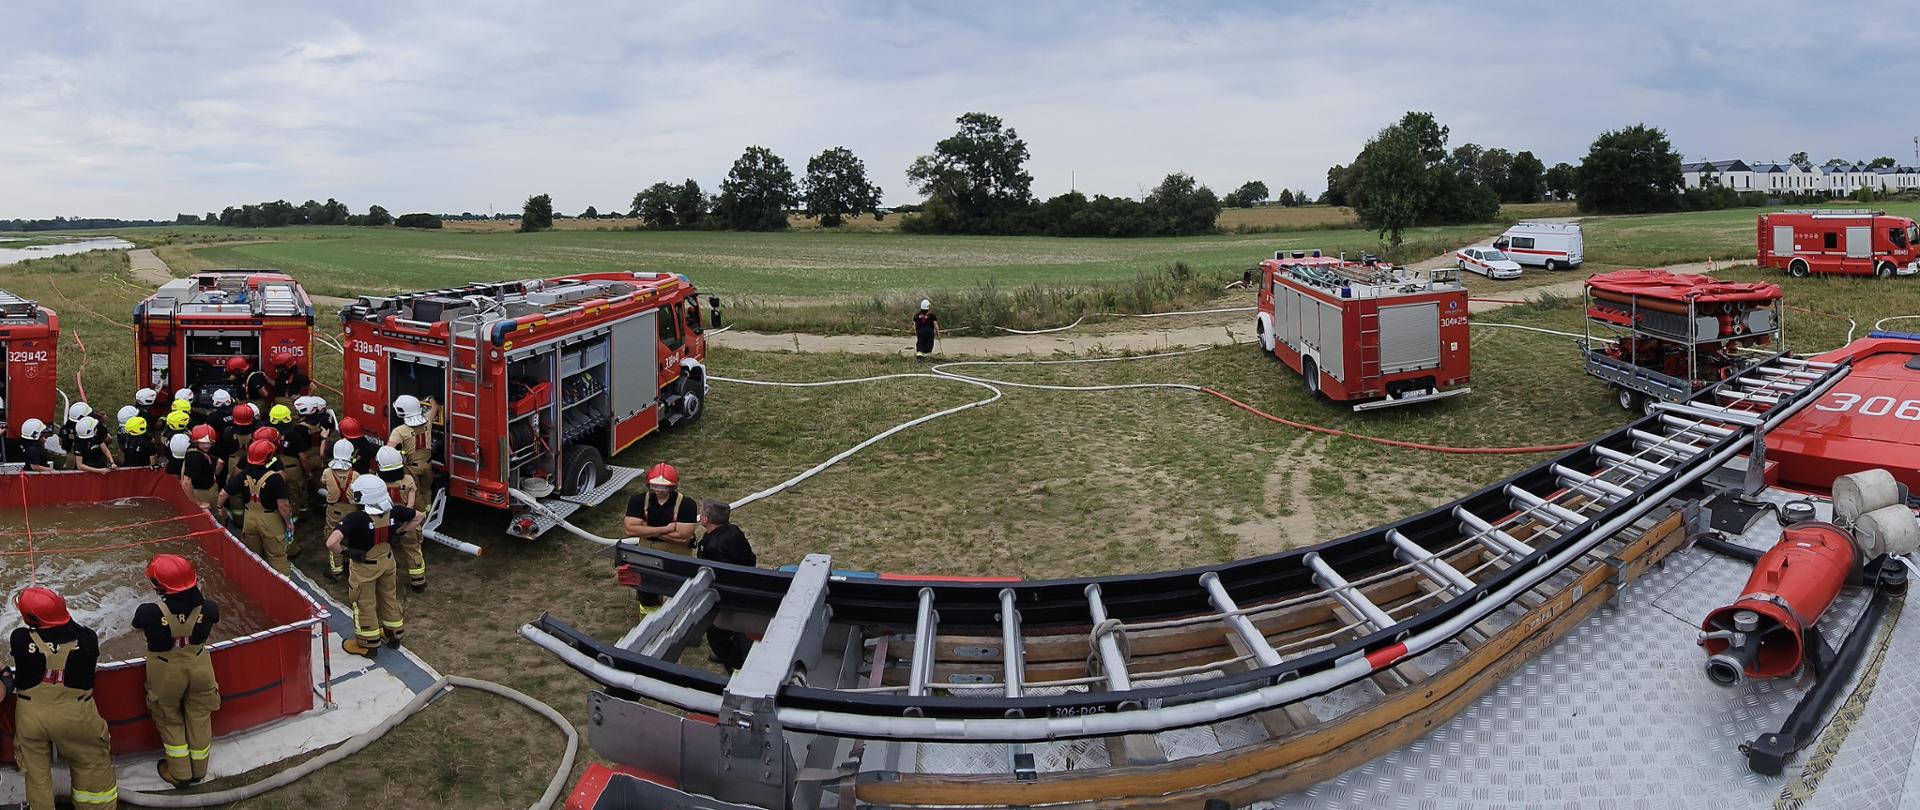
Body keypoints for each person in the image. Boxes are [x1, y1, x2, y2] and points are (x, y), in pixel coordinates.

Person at [6, 587, 118, 809]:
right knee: (91, 765)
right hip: (77, 715)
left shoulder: (19, 639)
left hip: (31, 718)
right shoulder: (88, 639)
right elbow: (75, 630)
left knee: (37, 776)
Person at [133, 554, 221, 787]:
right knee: (200, 716)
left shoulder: (148, 613)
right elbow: (211, 618)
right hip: (200, 666)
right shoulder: (209, 608)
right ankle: (199, 770)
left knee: (169, 718)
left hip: (166, 672)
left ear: (159, 587)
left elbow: (137, 627)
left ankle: (180, 774)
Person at [326, 474, 423, 656]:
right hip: (387, 560)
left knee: (364, 603)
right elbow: (419, 516)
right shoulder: (395, 512)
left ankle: (367, 644)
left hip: (364, 567)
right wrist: (400, 532)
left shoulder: (355, 519)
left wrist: (347, 552)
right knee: (389, 597)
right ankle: (393, 635)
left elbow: (331, 542)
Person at [623, 463, 698, 614]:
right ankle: (649, 617)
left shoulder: (686, 504)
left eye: (664, 487)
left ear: (673, 486)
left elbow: (683, 537)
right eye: (655, 486)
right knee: (647, 590)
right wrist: (665, 529)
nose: (659, 490)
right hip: (647, 551)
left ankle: (677, 618)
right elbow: (629, 529)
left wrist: (645, 529)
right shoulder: (638, 501)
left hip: (677, 553)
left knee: (678, 589)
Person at [694, 500, 757, 671]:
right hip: (744, 585)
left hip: (726, 594)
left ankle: (733, 664)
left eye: (702, 513)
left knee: (716, 629)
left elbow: (716, 574)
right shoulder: (733, 530)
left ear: (706, 519)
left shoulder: (713, 547)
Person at [224, 439, 293, 575]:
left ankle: (255, 578)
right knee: (277, 556)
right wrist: (288, 522)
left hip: (249, 518)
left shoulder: (244, 474)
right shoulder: (275, 478)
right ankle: (283, 584)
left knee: (253, 555)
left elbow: (223, 493)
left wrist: (220, 507)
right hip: (270, 520)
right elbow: (283, 505)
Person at [376, 446, 427, 592]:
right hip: (407, 521)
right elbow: (411, 504)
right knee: (412, 549)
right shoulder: (408, 480)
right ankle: (418, 581)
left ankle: (388, 578)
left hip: (386, 520)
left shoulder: (378, 482)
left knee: (385, 549)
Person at [386, 394, 436, 514]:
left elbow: (388, 451)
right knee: (427, 490)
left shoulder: (399, 431)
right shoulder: (428, 420)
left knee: (415, 492)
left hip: (411, 467)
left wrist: (401, 455)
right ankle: (428, 509)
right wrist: (430, 399)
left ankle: (421, 515)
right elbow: (435, 407)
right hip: (427, 464)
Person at [320, 439, 358, 581]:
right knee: (353, 537)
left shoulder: (327, 472)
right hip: (352, 511)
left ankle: (336, 571)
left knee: (333, 537)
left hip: (334, 510)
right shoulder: (355, 474)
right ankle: (352, 564)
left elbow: (323, 483)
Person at [269, 405, 309, 514]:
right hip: (293, 469)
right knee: (296, 492)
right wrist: (307, 471)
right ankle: (297, 515)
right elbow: (303, 457)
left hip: (274, 467)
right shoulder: (295, 435)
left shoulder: (268, 434)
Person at [182, 426, 220, 511]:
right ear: (196, 442)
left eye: (209, 443)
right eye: (203, 443)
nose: (207, 446)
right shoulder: (194, 457)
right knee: (216, 514)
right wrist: (198, 503)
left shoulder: (196, 449)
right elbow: (186, 483)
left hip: (208, 487)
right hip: (203, 492)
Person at [57, 401, 91, 470]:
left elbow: (60, 439)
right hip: (77, 452)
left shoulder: (66, 427)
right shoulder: (81, 428)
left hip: (69, 450)